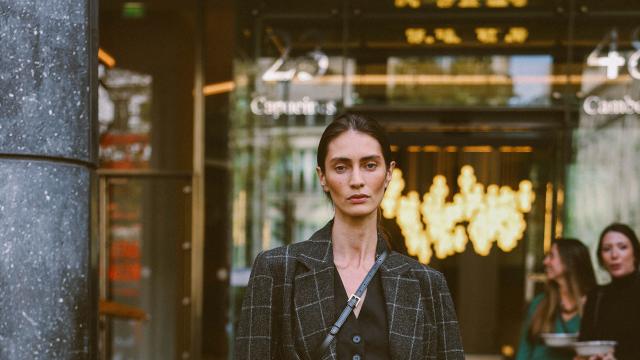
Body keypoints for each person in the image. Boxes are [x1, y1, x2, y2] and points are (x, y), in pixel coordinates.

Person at [234, 113, 464, 359]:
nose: (356, 180)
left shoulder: (426, 283)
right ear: (323, 177)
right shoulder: (278, 270)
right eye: (341, 167)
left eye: (370, 165)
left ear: (389, 173)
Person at [515, 238, 596, 360]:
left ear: (570, 262)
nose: (545, 262)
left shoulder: (594, 304)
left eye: (551, 256)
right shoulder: (539, 303)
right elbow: (524, 351)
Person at [577, 223, 640, 360]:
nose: (614, 255)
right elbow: (585, 344)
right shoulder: (596, 296)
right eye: (607, 249)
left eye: (622, 247)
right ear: (601, 257)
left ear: (635, 253)